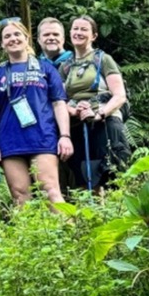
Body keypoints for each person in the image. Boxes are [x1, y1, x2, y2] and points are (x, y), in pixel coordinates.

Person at [0, 19, 73, 206]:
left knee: (50, 189)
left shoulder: (46, 69)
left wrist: (65, 136)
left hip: (42, 137)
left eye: (17, 34)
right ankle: (29, 236)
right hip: (10, 141)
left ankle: (68, 232)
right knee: (20, 195)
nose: (13, 39)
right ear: (2, 43)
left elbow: (59, 104)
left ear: (26, 38)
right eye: (7, 36)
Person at [59, 15, 129, 190]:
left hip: (106, 122)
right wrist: (73, 111)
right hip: (77, 124)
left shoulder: (103, 60)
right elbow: (60, 100)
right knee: (83, 177)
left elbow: (119, 95)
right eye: (75, 29)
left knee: (112, 175)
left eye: (84, 29)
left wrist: (99, 114)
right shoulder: (65, 67)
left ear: (94, 36)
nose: (78, 32)